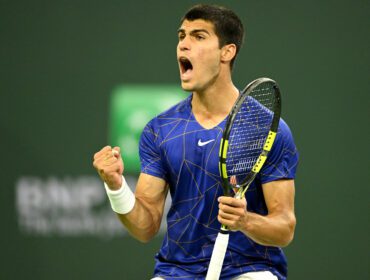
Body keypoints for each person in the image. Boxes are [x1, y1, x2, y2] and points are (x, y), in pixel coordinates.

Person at [93, 4, 298, 280]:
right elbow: (145, 227)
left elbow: (285, 228)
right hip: (177, 271)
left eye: (198, 36)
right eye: (181, 36)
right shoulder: (160, 130)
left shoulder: (266, 128)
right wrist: (116, 187)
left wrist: (245, 221)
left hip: (249, 270)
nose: (183, 45)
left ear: (227, 52)